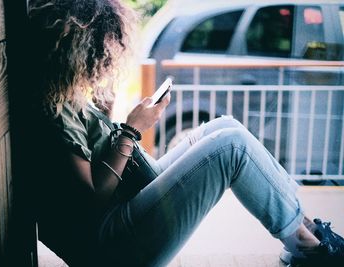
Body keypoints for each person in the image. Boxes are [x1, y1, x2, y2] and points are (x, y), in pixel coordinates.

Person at [27, 1, 344, 266]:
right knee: (229, 147)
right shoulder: (56, 111)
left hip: (124, 205)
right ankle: (306, 246)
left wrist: (106, 105)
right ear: (76, 49)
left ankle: (303, 225)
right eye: (101, 48)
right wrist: (130, 130)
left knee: (225, 127)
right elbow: (91, 201)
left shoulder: (64, 95)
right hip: (111, 242)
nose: (105, 58)